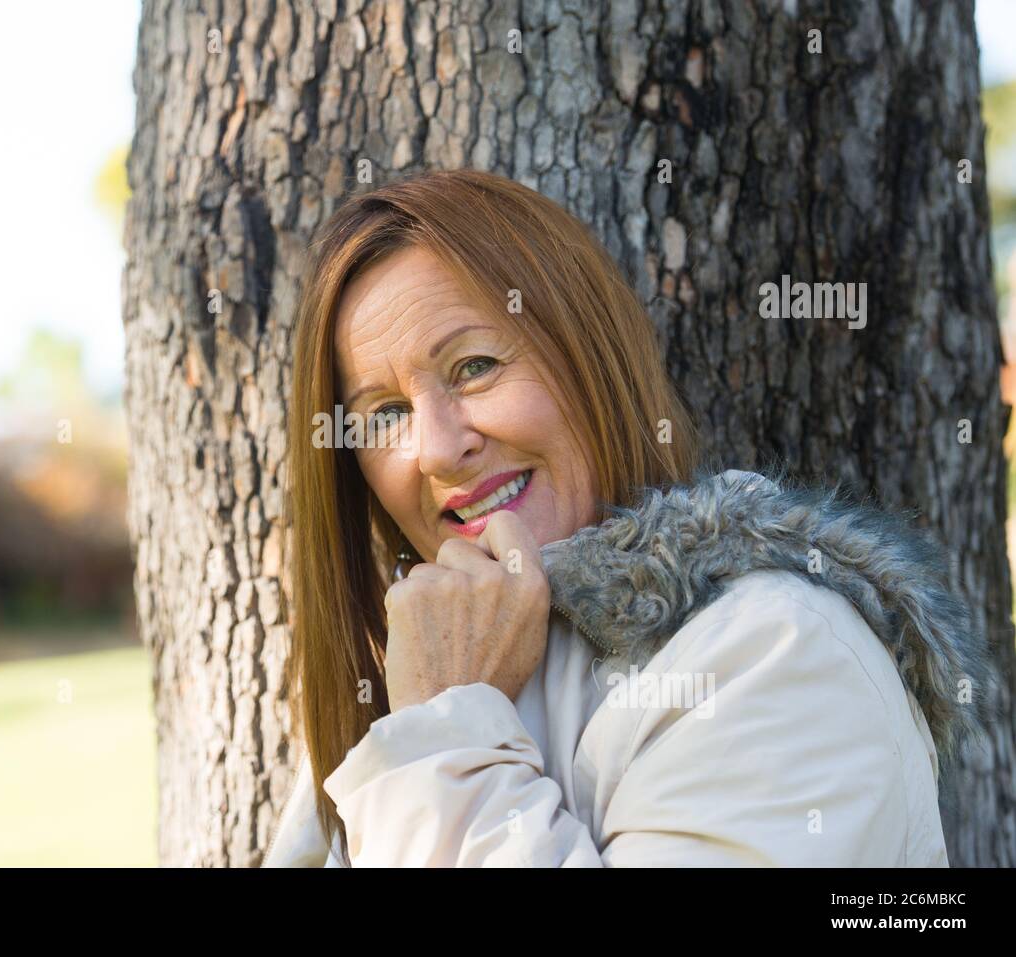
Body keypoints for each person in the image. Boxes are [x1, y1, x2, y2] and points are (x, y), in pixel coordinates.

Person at [261, 168, 991, 867]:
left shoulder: (780, 653)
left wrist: (448, 744)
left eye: (475, 366)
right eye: (386, 415)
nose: (441, 450)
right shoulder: (407, 685)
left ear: (590, 352)